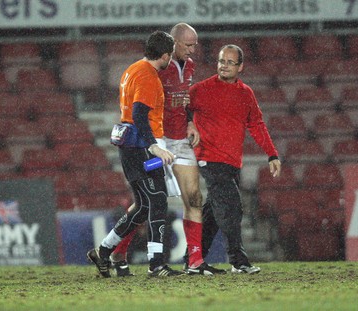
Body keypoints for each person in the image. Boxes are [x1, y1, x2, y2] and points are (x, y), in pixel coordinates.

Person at [109, 23, 226, 276]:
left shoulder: (190, 67)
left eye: (195, 45)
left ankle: (194, 260)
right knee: (148, 201)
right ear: (172, 46)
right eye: (187, 45)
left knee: (194, 198)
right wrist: (151, 141)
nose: (192, 50)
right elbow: (141, 105)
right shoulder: (155, 69)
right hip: (158, 141)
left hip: (180, 141)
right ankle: (120, 250)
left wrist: (191, 121)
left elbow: (184, 100)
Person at [87, 30, 184, 277]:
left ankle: (103, 251)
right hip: (142, 148)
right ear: (164, 55)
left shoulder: (132, 69)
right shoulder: (149, 77)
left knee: (142, 206)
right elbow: (140, 114)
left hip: (129, 147)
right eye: (169, 57)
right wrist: (154, 146)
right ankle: (157, 264)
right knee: (159, 199)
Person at [187, 44, 282, 274]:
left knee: (213, 211)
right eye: (221, 61)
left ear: (241, 66)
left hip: (232, 162)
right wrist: (188, 123)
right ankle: (238, 261)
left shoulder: (245, 93)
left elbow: (257, 124)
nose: (224, 66)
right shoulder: (201, 89)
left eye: (230, 62)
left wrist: (271, 153)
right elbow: (178, 109)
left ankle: (193, 260)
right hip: (208, 157)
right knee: (232, 207)